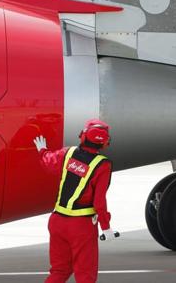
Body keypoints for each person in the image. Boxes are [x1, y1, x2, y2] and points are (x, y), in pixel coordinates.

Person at [33, 119, 118, 283]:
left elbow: (48, 162)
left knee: (59, 271)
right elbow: (99, 201)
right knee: (85, 275)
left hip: (57, 221)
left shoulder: (69, 152)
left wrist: (42, 150)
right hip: (81, 227)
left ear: (83, 135)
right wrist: (106, 227)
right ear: (105, 142)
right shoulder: (103, 165)